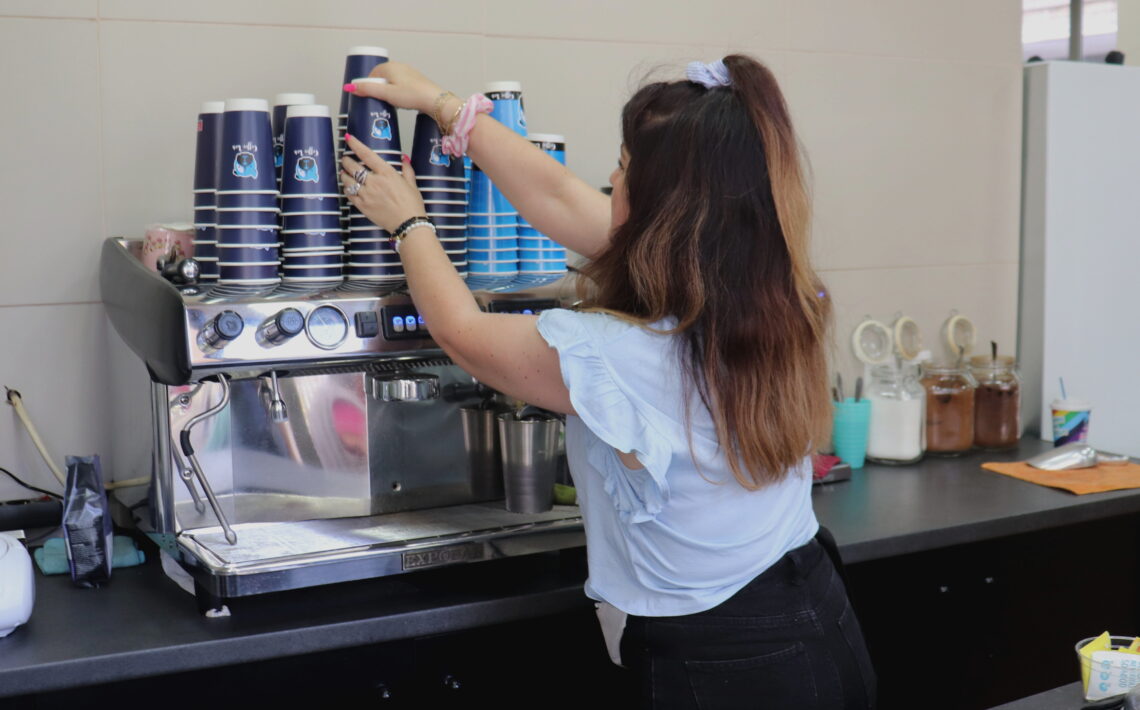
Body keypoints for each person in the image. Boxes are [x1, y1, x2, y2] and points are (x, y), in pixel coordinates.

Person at [340, 54, 876, 709]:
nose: (610, 181)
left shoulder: (628, 353)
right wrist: (445, 106)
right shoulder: (771, 286)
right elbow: (561, 198)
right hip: (817, 614)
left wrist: (408, 222)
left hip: (726, 665)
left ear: (663, 205)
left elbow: (462, 334)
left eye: (622, 168)